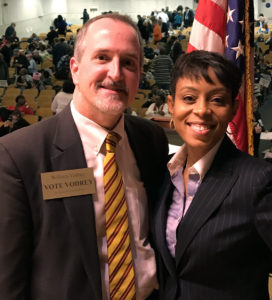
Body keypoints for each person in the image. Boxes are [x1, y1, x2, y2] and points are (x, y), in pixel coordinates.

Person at [0, 13, 168, 300]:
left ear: (140, 75)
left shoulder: (151, 139)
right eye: (102, 57)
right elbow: (8, 279)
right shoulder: (19, 154)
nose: (116, 73)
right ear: (75, 69)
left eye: (128, 63)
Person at [151, 50, 272, 300]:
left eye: (217, 100)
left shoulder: (258, 181)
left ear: (233, 107)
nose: (202, 110)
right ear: (172, 105)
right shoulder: (162, 173)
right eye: (189, 98)